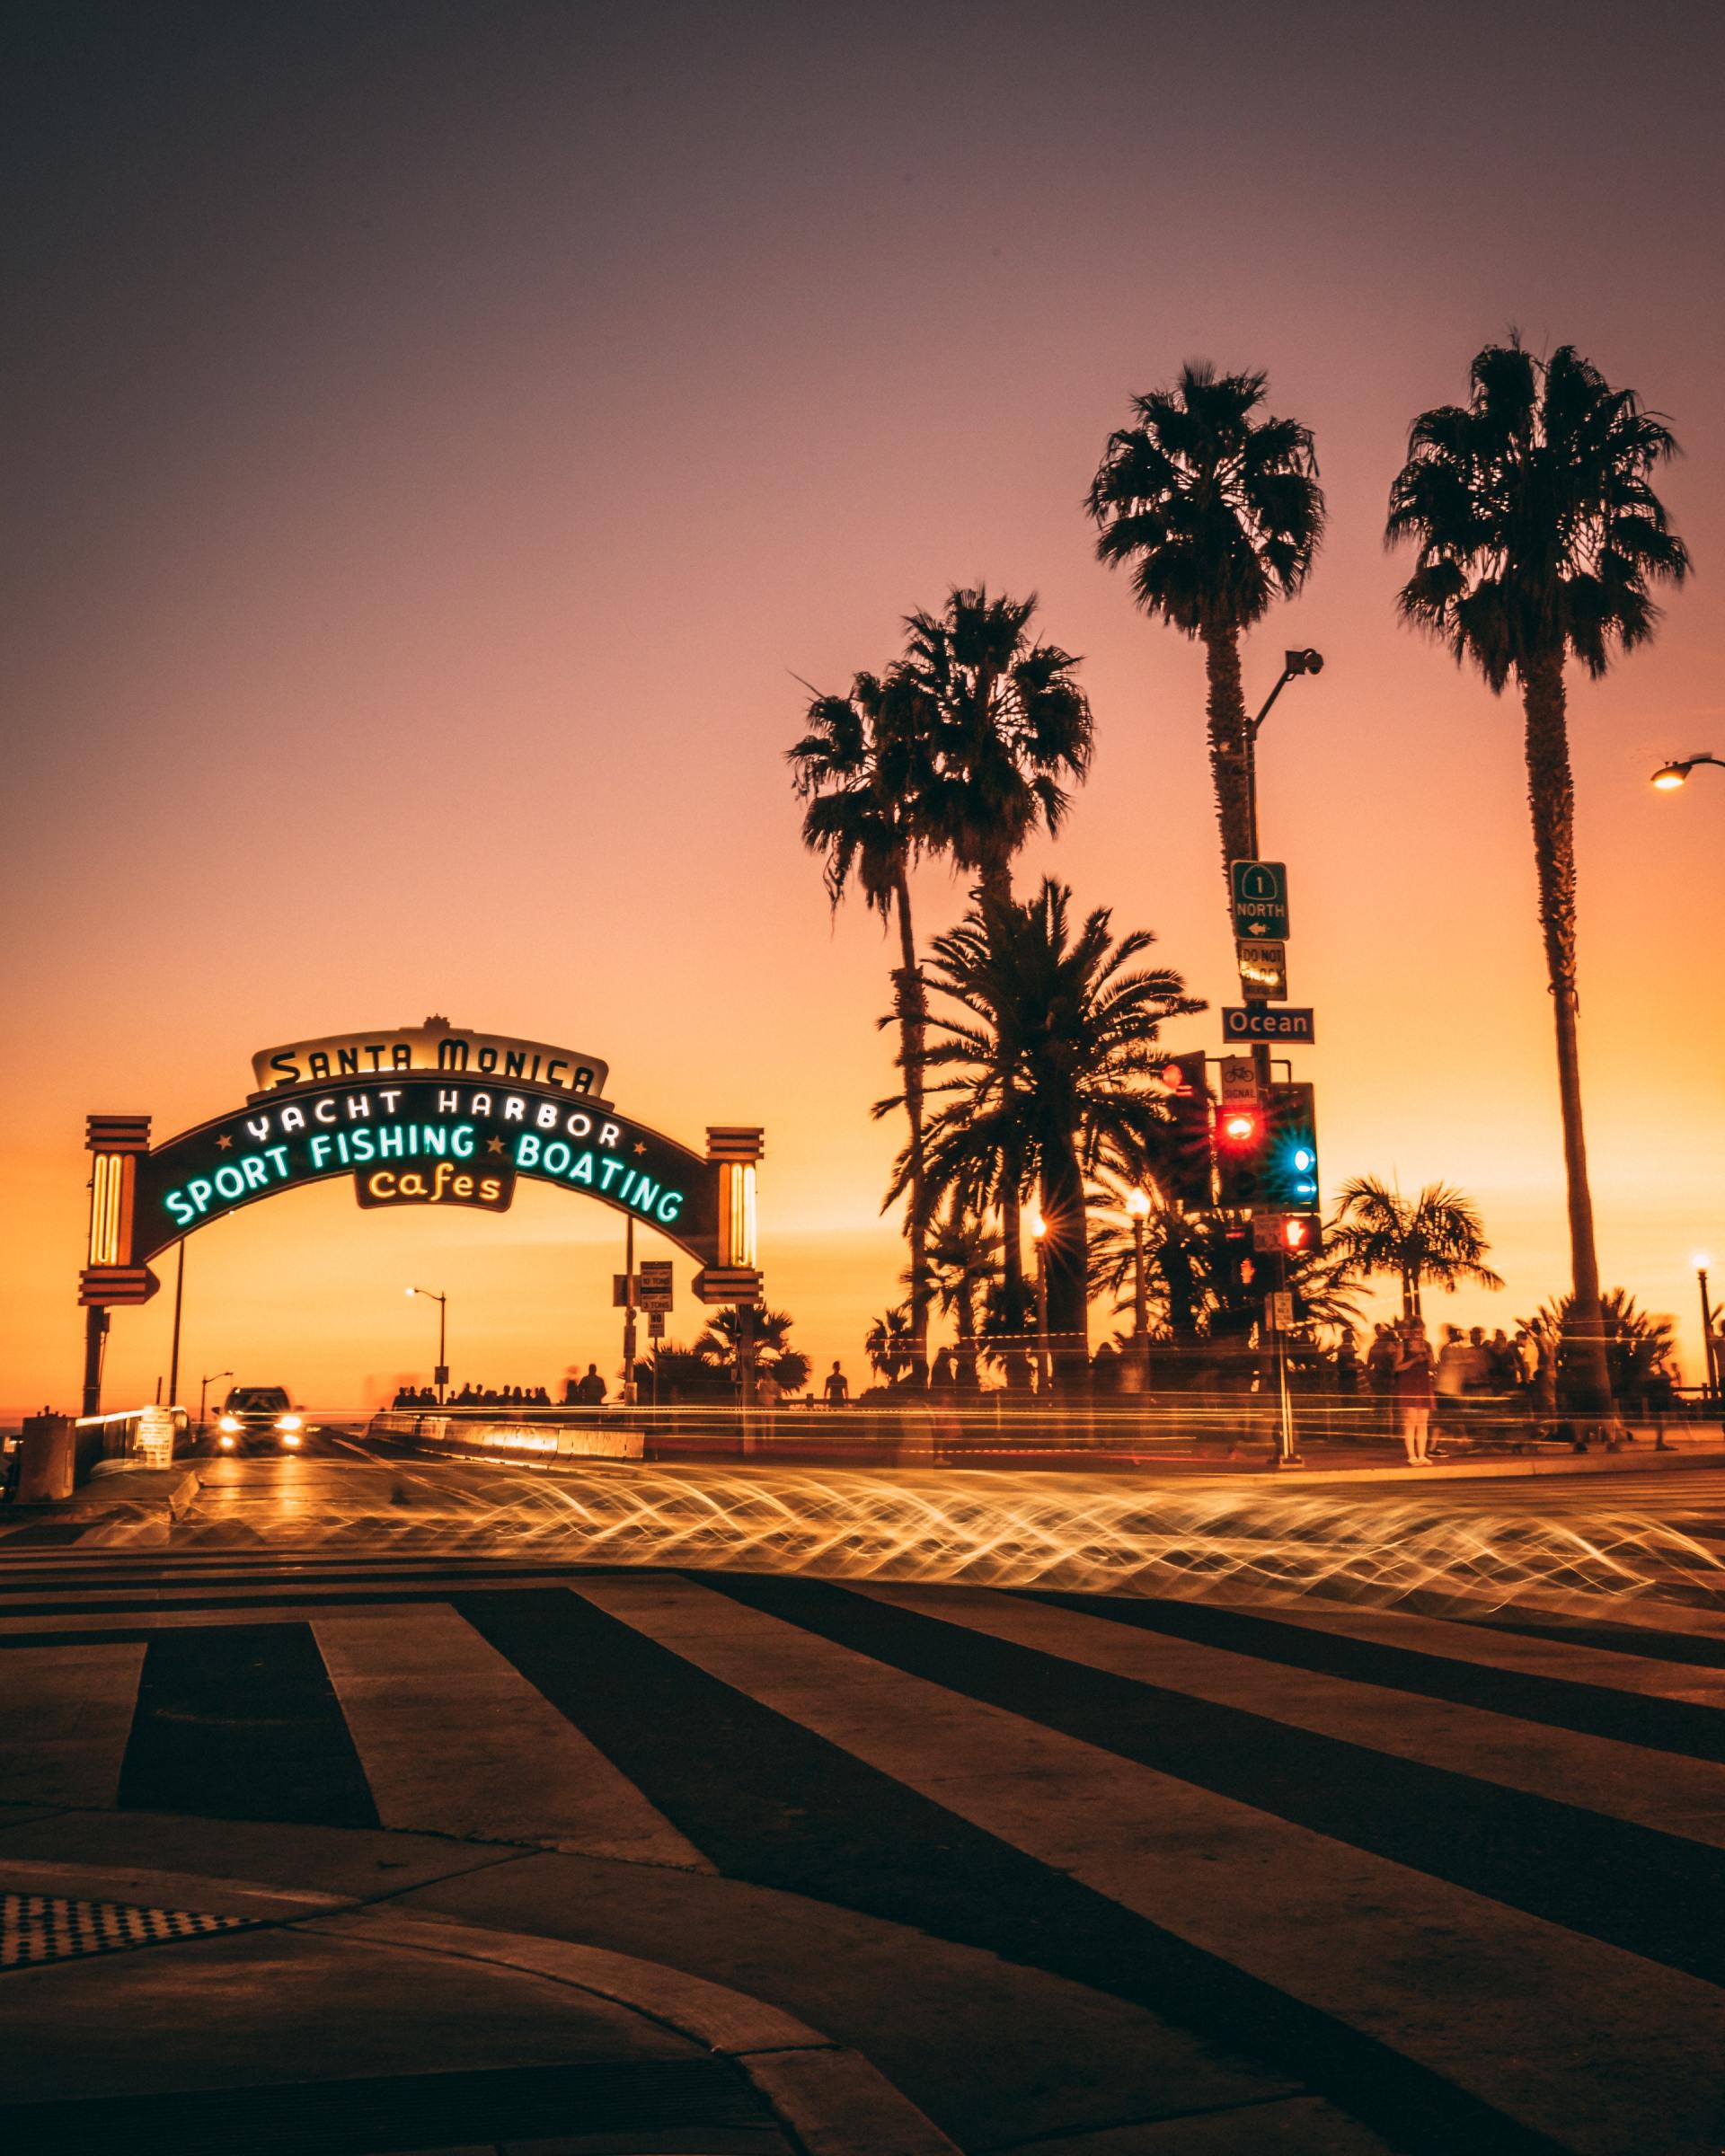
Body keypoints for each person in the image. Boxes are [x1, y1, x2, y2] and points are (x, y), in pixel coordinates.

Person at [1393, 1317, 1437, 1463]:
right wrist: (1413, 1361)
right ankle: (1412, 1455)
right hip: (1408, 1384)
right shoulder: (1402, 1346)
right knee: (1410, 1421)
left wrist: (1431, 1362)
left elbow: (1432, 1367)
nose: (1418, 1334)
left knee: (1423, 1421)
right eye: (1415, 1331)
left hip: (1423, 1384)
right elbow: (1397, 1367)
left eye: (1420, 1331)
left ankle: (1422, 1455)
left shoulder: (1427, 1346)